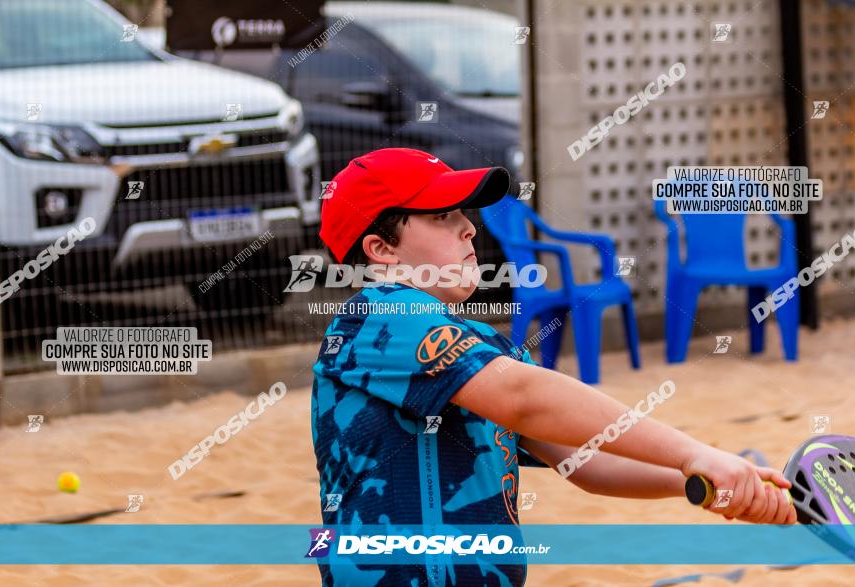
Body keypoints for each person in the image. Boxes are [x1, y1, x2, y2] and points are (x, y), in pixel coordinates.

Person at [310, 148, 796, 586]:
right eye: (442, 215)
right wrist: (694, 452)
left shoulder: (479, 347)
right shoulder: (379, 317)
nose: (469, 227)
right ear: (381, 249)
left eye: (462, 212)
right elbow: (524, 398)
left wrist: (698, 482)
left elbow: (586, 458)